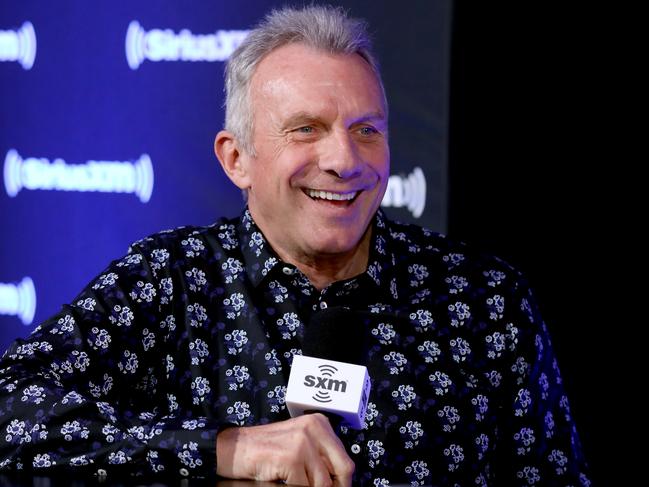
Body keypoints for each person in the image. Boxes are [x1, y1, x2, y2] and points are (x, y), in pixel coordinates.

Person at [0, 5, 589, 486]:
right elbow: (11, 411)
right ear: (237, 159)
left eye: (367, 131)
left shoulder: (485, 300)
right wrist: (226, 449)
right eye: (306, 129)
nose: (344, 161)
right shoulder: (169, 281)